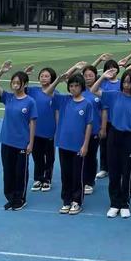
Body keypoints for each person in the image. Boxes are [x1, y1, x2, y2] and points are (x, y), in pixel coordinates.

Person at [91, 69, 131, 219]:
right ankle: (114, 203)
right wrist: (103, 77)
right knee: (113, 172)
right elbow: (94, 90)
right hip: (114, 135)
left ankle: (125, 203)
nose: (126, 85)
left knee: (126, 172)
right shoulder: (114, 96)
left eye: (129, 82)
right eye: (124, 82)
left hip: (128, 137)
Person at [0, 61, 37, 210]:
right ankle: (10, 197)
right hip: (7, 141)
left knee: (20, 172)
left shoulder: (30, 102)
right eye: (14, 82)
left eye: (18, 82)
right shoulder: (8, 97)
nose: (15, 85)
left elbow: (32, 123)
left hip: (22, 143)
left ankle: (20, 198)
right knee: (8, 171)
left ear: (25, 84)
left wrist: (30, 143)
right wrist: (2, 71)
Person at [45, 72, 93, 215]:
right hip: (64, 144)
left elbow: (89, 125)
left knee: (77, 174)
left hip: (78, 146)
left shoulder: (87, 104)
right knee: (65, 174)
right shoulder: (64, 100)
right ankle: (66, 200)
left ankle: (76, 201)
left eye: (76, 86)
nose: (73, 88)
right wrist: (58, 79)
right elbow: (48, 92)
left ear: (81, 87)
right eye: (71, 86)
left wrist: (85, 145)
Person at [25, 66, 58, 192]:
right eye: (42, 76)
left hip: (49, 130)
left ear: (52, 78)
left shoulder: (55, 94)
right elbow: (20, 86)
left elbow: (56, 113)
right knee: (37, 156)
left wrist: (57, 129)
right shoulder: (33, 91)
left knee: (49, 157)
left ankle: (47, 179)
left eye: (47, 76)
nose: (44, 78)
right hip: (35, 131)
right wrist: (25, 73)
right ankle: (38, 178)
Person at [81, 65, 106, 195]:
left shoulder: (99, 93)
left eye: (91, 75)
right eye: (86, 76)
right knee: (80, 156)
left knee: (91, 156)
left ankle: (89, 182)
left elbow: (103, 111)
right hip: (80, 131)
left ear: (96, 76)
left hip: (95, 130)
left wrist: (103, 127)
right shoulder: (79, 92)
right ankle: (80, 180)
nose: (88, 78)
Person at [96, 59, 120, 180]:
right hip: (104, 118)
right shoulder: (103, 82)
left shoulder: (121, 83)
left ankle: (115, 167)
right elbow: (93, 88)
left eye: (113, 67)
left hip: (118, 119)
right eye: (108, 68)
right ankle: (104, 168)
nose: (111, 70)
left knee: (115, 146)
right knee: (103, 144)